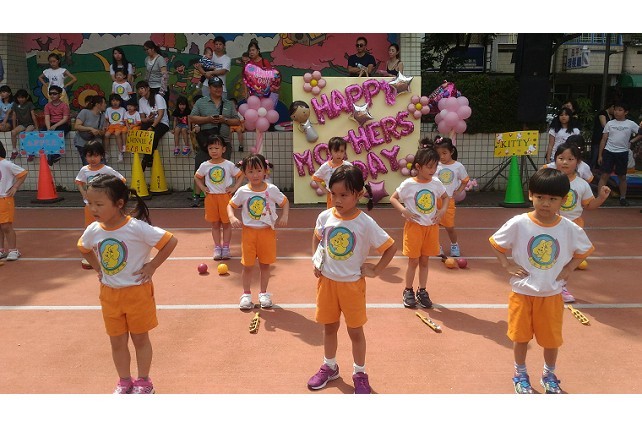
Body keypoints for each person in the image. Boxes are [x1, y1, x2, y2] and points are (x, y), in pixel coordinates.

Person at [489, 168, 594, 394]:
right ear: (530, 195)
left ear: (563, 200)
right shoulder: (519, 223)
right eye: (540, 197)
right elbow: (496, 243)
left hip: (551, 294)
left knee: (551, 340)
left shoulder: (569, 228)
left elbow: (585, 249)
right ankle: (520, 373)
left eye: (553, 199)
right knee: (520, 338)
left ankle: (549, 374)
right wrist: (507, 265)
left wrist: (569, 268)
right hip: (522, 293)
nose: (545, 203)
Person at [77, 174, 178, 394]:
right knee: (117, 341)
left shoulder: (136, 228)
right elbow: (83, 248)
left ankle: (144, 381)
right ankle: (124, 381)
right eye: (89, 203)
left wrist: (152, 266)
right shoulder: (94, 229)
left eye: (99, 204)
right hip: (109, 294)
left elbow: (170, 241)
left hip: (137, 293)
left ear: (119, 203)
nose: (93, 209)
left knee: (140, 339)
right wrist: (98, 269)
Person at [307, 164, 397, 394]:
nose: (337, 200)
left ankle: (360, 373)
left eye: (344, 195)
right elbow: (317, 237)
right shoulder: (325, 216)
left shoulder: (365, 222)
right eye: (333, 194)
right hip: (327, 284)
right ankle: (330, 366)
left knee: (355, 332)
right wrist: (316, 261)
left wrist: (376, 270)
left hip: (352, 286)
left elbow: (390, 247)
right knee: (329, 328)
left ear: (358, 194)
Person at [548, 141, 610, 303]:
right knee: (549, 256)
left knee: (566, 259)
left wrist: (601, 198)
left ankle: (561, 286)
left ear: (578, 162)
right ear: (555, 160)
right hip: (549, 224)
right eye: (561, 158)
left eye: (570, 159)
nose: (565, 162)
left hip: (572, 227)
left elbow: (589, 205)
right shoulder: (548, 180)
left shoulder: (581, 184)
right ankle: (546, 284)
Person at [227, 153, 290, 310]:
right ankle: (246, 295)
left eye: (258, 170)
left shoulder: (272, 189)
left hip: (267, 233)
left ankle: (264, 294)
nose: (255, 175)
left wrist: (285, 216)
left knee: (265, 265)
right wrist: (232, 217)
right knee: (247, 266)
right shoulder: (243, 191)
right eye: (250, 171)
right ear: (245, 173)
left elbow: (284, 202)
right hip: (249, 233)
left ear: (265, 171)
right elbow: (230, 205)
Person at [389, 147, 448, 309]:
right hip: (414, 227)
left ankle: (422, 291)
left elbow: (445, 197)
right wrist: (404, 211)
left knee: (425, 260)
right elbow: (393, 198)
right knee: (413, 260)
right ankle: (408, 290)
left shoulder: (436, 183)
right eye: (429, 166)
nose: (432, 170)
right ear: (418, 166)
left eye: (435, 166)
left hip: (431, 227)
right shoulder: (409, 184)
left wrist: (442, 210)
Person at [189, 76, 240, 206]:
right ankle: (197, 196)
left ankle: (224, 195)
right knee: (200, 167)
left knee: (224, 170)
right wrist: (208, 119)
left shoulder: (228, 103)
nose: (218, 89)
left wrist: (224, 120)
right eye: (215, 86)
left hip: (224, 142)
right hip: (206, 143)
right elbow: (192, 118)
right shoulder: (201, 102)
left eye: (220, 86)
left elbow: (237, 120)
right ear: (209, 88)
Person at [74, 140, 126, 268]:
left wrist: (112, 194)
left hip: (104, 206)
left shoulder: (107, 169)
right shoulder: (84, 170)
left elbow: (121, 180)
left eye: (96, 155)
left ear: (102, 155)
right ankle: (91, 253)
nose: (93, 159)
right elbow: (79, 182)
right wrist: (83, 193)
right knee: (90, 228)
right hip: (89, 205)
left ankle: (107, 250)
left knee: (106, 226)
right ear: (85, 156)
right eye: (89, 156)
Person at [194, 135, 244, 261]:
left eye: (216, 148)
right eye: (210, 148)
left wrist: (234, 188)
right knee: (215, 224)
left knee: (226, 224)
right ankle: (217, 247)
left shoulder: (228, 164)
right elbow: (197, 177)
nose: (214, 151)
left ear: (223, 149)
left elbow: (240, 175)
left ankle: (226, 247)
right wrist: (202, 187)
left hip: (225, 198)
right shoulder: (205, 165)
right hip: (211, 198)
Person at [597, 101, 642, 206]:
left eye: (620, 110)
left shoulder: (630, 124)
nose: (617, 112)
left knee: (622, 176)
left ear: (626, 112)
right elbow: (604, 139)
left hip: (622, 153)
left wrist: (632, 141)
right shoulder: (610, 123)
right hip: (609, 152)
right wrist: (600, 155)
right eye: (616, 110)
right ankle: (600, 198)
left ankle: (622, 198)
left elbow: (640, 133)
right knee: (604, 175)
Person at [434, 136, 469, 257]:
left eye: (444, 153)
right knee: (433, 226)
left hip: (448, 201)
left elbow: (465, 180)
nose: (441, 156)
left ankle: (454, 244)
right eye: (438, 154)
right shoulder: (435, 165)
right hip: (434, 200)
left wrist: (459, 191)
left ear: (451, 151)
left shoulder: (458, 166)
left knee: (449, 227)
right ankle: (436, 246)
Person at [0, 143, 28, 262]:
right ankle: (1, 249)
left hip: (4, 198)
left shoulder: (6, 164)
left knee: (6, 225)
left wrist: (15, 186)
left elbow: (23, 173)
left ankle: (13, 250)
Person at [136, 80, 170, 171]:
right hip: (149, 122)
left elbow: (161, 114)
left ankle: (145, 159)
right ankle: (149, 158)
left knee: (153, 135)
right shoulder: (141, 101)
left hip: (162, 123)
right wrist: (147, 119)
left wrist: (152, 126)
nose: (140, 91)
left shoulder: (157, 97)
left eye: (142, 88)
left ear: (148, 88)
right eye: (139, 89)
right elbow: (142, 118)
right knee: (142, 132)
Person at [311, 137, 352, 208]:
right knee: (332, 213)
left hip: (346, 196)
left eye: (342, 151)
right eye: (336, 151)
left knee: (345, 212)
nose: (339, 154)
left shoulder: (348, 165)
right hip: (332, 197)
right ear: (330, 152)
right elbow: (315, 177)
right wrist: (323, 189)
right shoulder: (326, 166)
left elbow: (353, 179)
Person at [243, 38, 280, 106]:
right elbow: (246, 80)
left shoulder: (265, 62)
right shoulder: (249, 65)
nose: (251, 52)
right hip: (253, 94)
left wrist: (268, 89)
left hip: (265, 94)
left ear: (258, 51)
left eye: (253, 50)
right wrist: (246, 92)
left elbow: (271, 77)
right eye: (250, 51)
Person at [73, 95, 106, 166]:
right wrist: (90, 129)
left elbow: (103, 131)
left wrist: (98, 132)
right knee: (88, 165)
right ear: (97, 104)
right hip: (83, 143)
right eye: (104, 103)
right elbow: (77, 126)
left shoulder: (102, 116)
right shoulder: (85, 112)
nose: (105, 105)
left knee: (101, 164)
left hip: (96, 144)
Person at [43, 85, 71, 165]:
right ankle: (50, 154)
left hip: (62, 123)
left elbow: (65, 119)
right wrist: (48, 128)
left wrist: (55, 126)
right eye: (50, 93)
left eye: (54, 93)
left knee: (58, 134)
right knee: (43, 133)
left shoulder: (64, 105)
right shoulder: (47, 106)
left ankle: (55, 154)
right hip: (51, 123)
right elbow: (47, 117)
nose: (52, 95)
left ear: (60, 94)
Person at [9, 89, 37, 160]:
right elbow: (14, 116)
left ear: (26, 97)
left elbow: (33, 116)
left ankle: (31, 152)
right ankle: (14, 151)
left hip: (30, 124)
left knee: (27, 133)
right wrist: (14, 127)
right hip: (22, 124)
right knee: (13, 132)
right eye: (19, 98)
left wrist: (36, 127)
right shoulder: (15, 104)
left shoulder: (29, 104)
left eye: (22, 97)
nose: (20, 99)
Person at [590, 102, 614, 170]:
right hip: (598, 137)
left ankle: (599, 170)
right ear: (611, 107)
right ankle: (591, 170)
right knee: (595, 156)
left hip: (607, 139)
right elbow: (604, 125)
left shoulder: (613, 116)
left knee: (603, 157)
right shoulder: (602, 113)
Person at [104, 94, 127, 163]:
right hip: (111, 125)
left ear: (120, 101)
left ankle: (120, 153)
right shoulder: (108, 109)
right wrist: (106, 126)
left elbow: (125, 120)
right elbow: (107, 120)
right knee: (106, 135)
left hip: (120, 125)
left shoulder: (123, 109)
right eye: (113, 101)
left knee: (117, 134)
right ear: (110, 101)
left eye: (117, 101)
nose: (115, 102)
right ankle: (106, 153)